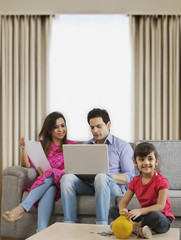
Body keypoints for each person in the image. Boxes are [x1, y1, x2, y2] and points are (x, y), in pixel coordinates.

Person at [2, 111, 76, 232]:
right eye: (56, 127)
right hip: (49, 184)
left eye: (63, 125)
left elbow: (75, 166)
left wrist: (56, 172)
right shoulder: (41, 145)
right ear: (49, 130)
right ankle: (41, 232)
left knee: (52, 173)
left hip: (63, 182)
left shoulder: (71, 145)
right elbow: (26, 165)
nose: (61, 129)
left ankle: (22, 208)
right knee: (50, 189)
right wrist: (24, 149)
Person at [60, 108, 135, 225]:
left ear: (108, 124)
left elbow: (130, 176)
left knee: (101, 177)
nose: (95, 130)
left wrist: (108, 176)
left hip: (112, 187)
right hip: (90, 185)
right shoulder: (85, 146)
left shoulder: (122, 146)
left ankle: (101, 224)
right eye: (92, 127)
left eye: (99, 126)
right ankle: (69, 223)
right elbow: (74, 169)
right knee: (67, 178)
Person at [109, 142, 175, 239]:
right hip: (144, 216)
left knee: (154, 216)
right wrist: (123, 210)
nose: (146, 163)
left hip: (161, 218)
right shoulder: (135, 181)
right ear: (135, 163)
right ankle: (138, 228)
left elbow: (160, 207)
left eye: (150, 159)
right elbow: (123, 203)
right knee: (114, 210)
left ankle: (133, 226)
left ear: (156, 161)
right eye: (141, 159)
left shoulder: (162, 181)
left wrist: (140, 211)